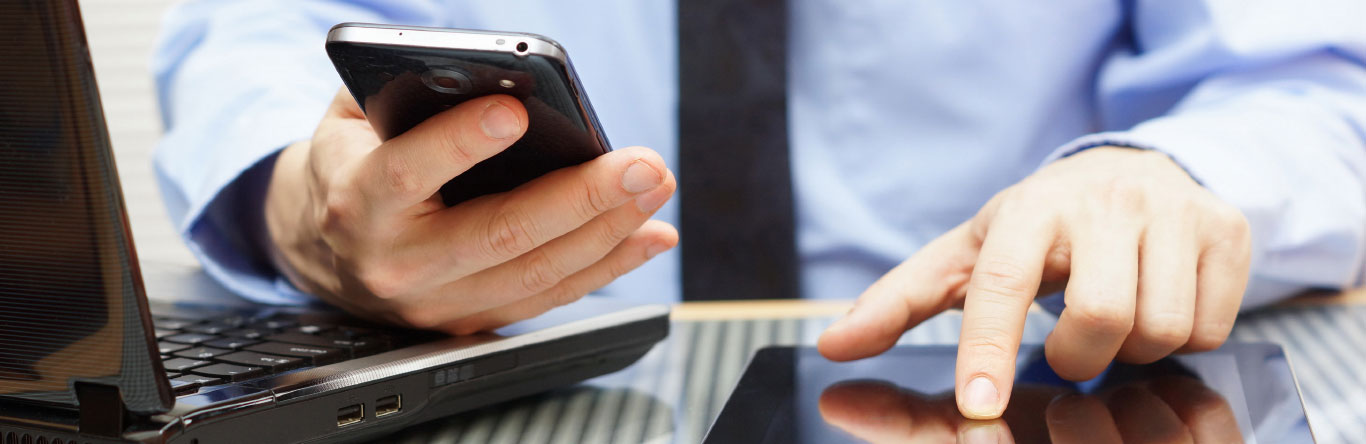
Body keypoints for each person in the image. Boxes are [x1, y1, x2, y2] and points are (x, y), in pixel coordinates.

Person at [152, 1, 1366, 420]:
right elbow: (249, 35)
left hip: (1014, 386)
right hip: (505, 375)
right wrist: (294, 199)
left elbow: (1307, 80)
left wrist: (1167, 174)